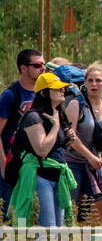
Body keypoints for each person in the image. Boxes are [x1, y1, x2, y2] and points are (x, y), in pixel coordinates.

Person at [7, 70, 77, 226]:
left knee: (59, 227)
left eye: (62, 87)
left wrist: (68, 138)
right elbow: (42, 150)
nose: (62, 90)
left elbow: (55, 148)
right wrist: (55, 127)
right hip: (40, 176)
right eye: (57, 88)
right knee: (48, 227)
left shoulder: (58, 113)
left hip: (57, 176)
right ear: (44, 93)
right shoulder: (33, 117)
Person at [63, 61, 102, 226]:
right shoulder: (77, 104)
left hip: (94, 162)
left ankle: (85, 237)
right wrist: (90, 157)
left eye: (98, 80)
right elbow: (70, 138)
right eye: (90, 80)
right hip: (73, 161)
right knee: (70, 207)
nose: (94, 84)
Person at [0, 48, 45, 214]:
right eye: (38, 65)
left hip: (34, 163)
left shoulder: (43, 94)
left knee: (34, 213)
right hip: (13, 162)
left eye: (44, 65)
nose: (43, 69)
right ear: (23, 68)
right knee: (10, 213)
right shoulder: (10, 96)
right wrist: (3, 163)